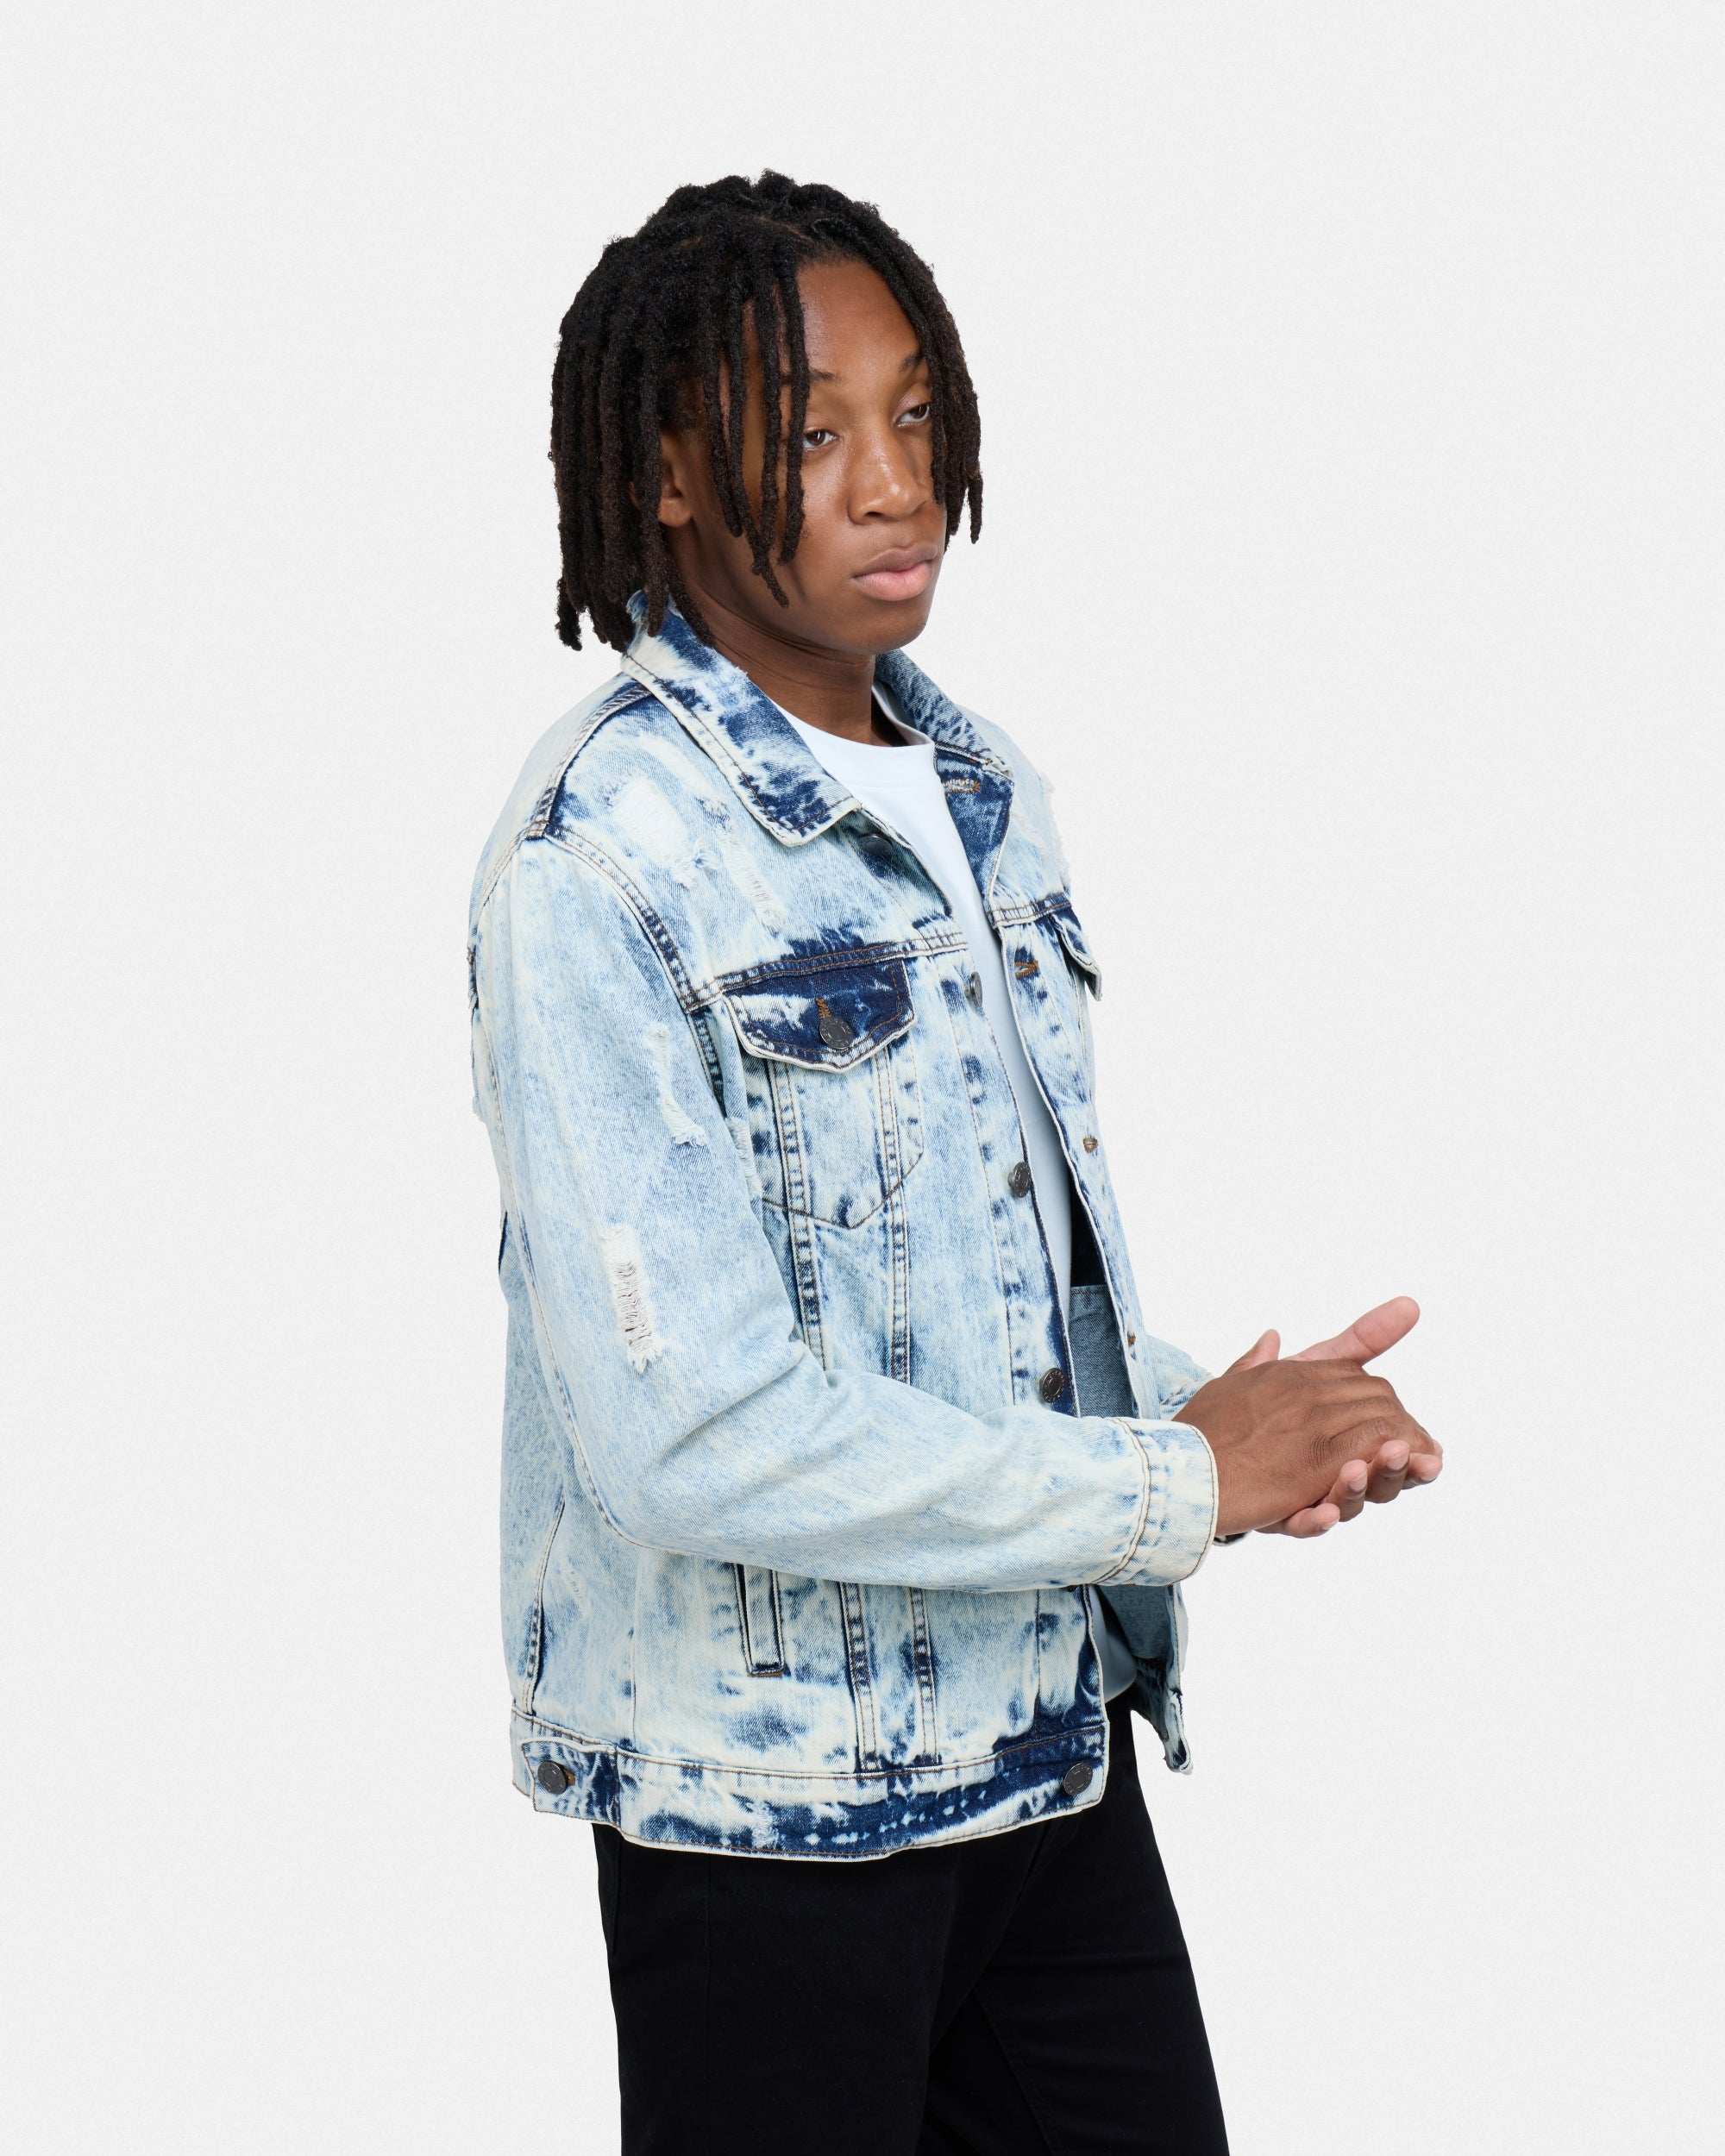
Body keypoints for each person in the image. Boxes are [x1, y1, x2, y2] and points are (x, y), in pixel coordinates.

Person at [467, 171, 1441, 2155]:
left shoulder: (984, 789)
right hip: (772, 1818)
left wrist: (1239, 1415)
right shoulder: (598, 857)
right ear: (666, 474)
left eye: (913, 414)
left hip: (1043, 1746)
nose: (895, 480)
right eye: (810, 431)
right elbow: (688, 1431)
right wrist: (1178, 1477)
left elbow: (961, 1302)